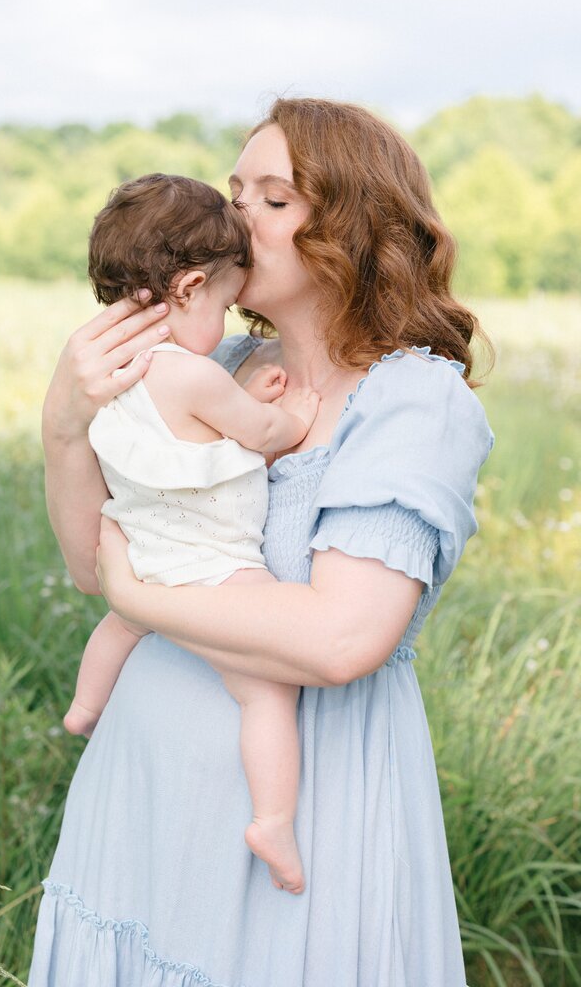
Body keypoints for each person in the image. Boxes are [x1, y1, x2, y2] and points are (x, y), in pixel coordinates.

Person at [27, 98, 496, 987]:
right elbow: (90, 564)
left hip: (306, 798)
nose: (235, 214)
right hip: (146, 776)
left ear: (352, 230)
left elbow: (341, 640)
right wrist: (62, 425)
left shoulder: (414, 402)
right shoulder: (223, 372)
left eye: (272, 199)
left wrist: (140, 601)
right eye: (236, 188)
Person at [63, 173, 321, 894]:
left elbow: (187, 435)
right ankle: (272, 819)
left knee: (122, 621)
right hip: (213, 566)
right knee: (267, 695)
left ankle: (86, 705)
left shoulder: (120, 374)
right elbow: (264, 435)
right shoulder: (193, 373)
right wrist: (291, 414)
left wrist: (239, 397)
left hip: (145, 549)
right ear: (189, 288)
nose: (231, 315)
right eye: (224, 298)